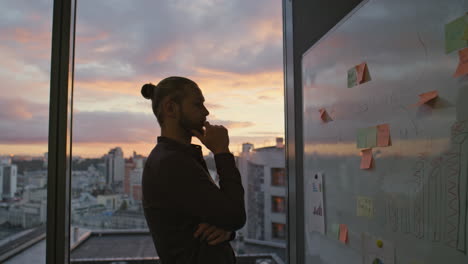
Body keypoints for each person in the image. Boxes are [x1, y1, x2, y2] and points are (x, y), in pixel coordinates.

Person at [140, 76, 246, 264]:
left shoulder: (172, 157)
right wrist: (222, 152)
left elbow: (223, 215)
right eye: (198, 105)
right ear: (171, 108)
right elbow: (235, 216)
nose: (206, 112)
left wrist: (226, 228)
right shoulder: (172, 163)